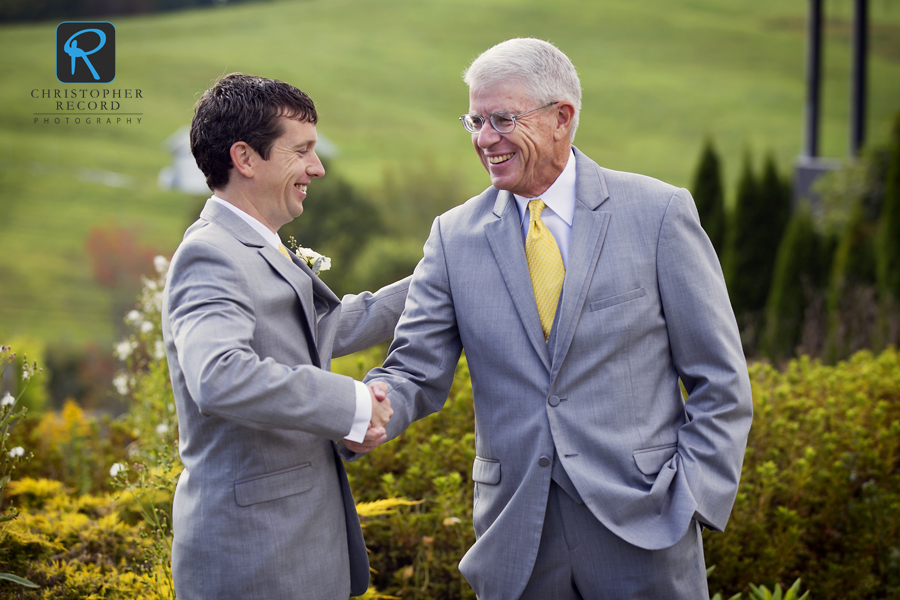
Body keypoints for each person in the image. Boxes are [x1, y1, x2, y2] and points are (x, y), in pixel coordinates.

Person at [347, 39, 753, 599]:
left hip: (646, 530)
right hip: (515, 541)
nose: (484, 138)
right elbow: (415, 369)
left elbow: (721, 379)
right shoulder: (452, 236)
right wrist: (361, 412)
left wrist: (691, 498)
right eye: (475, 119)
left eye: (503, 119)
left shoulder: (658, 214)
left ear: (562, 118)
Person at [162, 73, 408, 600]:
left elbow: (316, 332)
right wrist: (350, 402)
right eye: (302, 152)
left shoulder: (256, 245)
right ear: (246, 159)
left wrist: (440, 277)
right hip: (256, 561)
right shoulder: (211, 254)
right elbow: (218, 376)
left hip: (294, 549)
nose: (317, 168)